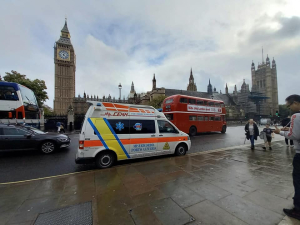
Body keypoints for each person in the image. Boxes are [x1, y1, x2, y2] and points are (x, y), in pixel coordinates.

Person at [274, 94, 300, 220]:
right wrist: (290, 128)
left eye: (290, 106)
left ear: (296, 103)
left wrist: (280, 132)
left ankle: (298, 210)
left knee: (298, 182)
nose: (290, 108)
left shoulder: (296, 116)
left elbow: (293, 135)